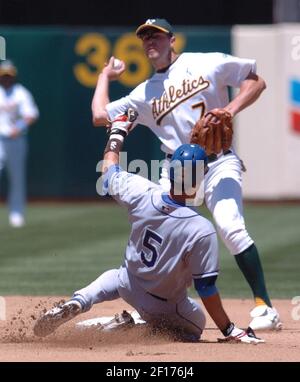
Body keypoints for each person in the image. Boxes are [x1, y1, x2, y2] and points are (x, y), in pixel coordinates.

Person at [90, 19, 282, 330]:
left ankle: (265, 307)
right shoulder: (145, 93)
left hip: (218, 161)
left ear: (172, 40)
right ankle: (150, 308)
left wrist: (229, 110)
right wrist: (104, 76)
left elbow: (256, 81)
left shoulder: (205, 63)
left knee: (230, 226)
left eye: (157, 35)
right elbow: (100, 116)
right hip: (177, 170)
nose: (151, 40)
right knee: (163, 237)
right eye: (146, 37)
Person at [33, 111, 263, 344]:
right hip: (162, 306)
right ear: (199, 180)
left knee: (114, 277)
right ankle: (135, 326)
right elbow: (205, 288)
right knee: (196, 326)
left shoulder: (142, 192)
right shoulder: (200, 228)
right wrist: (228, 329)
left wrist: (117, 133)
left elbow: (109, 169)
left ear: (171, 170)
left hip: (127, 283)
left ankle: (79, 301)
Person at [0, 60, 39, 227]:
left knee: (17, 178)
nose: (7, 79)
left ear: (13, 76)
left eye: (9, 76)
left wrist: (19, 126)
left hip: (16, 140)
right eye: (4, 76)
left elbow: (31, 114)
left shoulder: (21, 93)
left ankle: (16, 214)